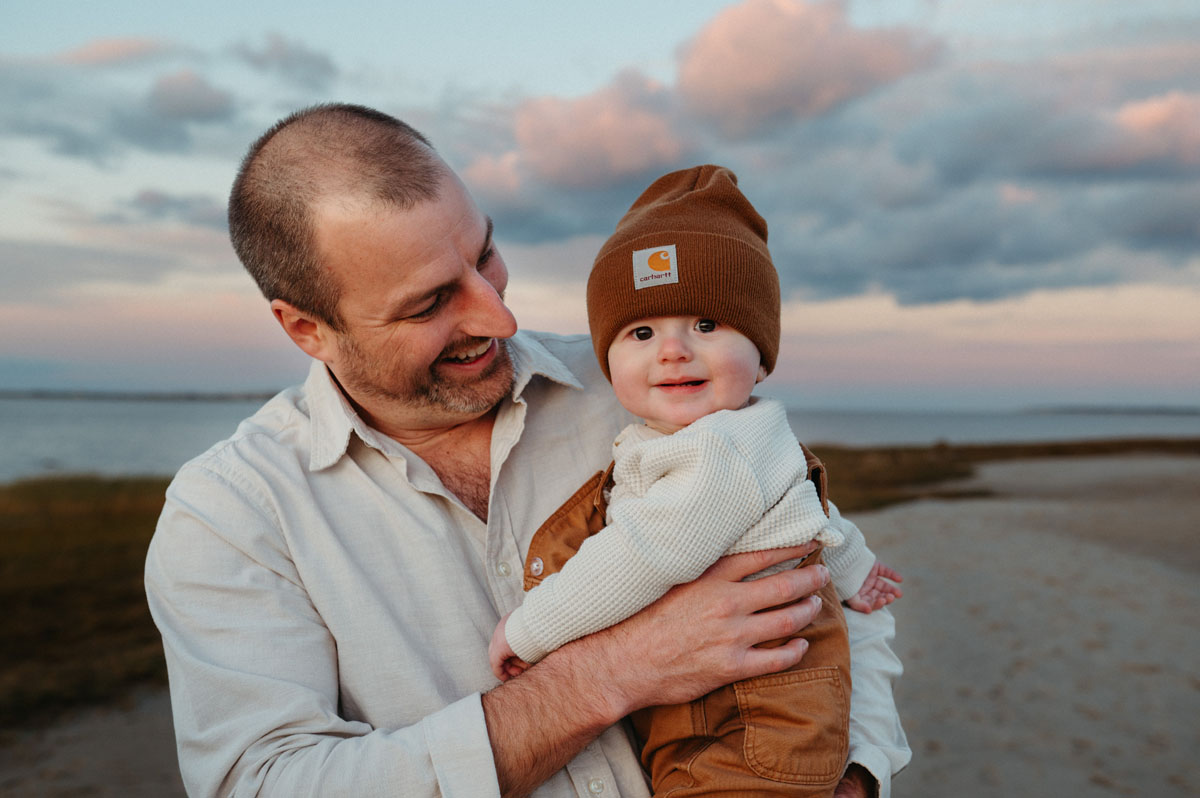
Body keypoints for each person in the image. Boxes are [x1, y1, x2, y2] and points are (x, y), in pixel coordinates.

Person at [144, 103, 910, 798]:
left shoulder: (643, 382)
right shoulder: (228, 515)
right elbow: (268, 783)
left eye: (485, 257)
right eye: (432, 302)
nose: (500, 317)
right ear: (306, 328)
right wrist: (608, 674)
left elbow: (825, 577)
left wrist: (857, 776)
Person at [487, 165, 902, 797]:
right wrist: (857, 570)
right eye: (642, 332)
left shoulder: (721, 451)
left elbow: (644, 554)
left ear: (762, 356)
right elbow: (819, 521)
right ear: (608, 361)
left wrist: (531, 630)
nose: (673, 350)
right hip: (746, 716)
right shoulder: (742, 439)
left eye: (706, 326)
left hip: (748, 723)